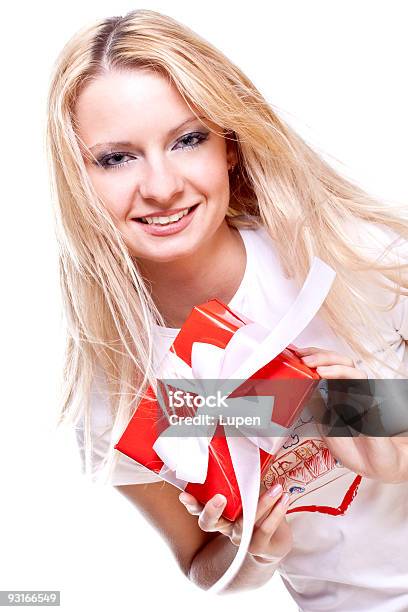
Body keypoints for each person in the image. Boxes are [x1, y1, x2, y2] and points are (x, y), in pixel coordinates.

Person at [46, 8, 408, 608]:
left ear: (230, 147)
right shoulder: (114, 388)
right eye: (116, 157)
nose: (161, 186)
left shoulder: (356, 258)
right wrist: (252, 551)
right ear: (77, 177)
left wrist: (390, 441)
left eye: (187, 140)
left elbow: (365, 424)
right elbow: (200, 562)